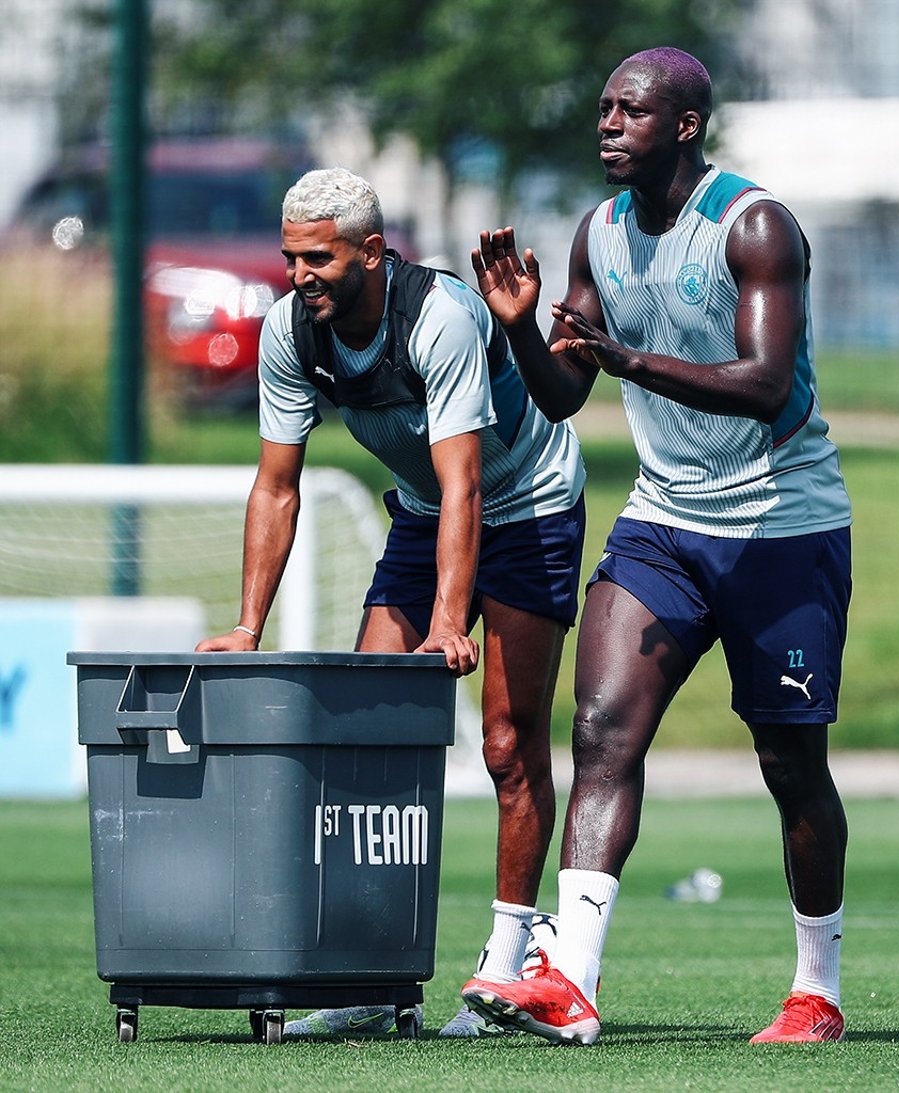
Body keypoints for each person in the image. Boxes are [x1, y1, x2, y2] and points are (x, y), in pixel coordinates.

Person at [461, 46, 852, 1045]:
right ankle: (568, 981)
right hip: (663, 525)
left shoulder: (753, 224)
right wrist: (518, 331)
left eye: (629, 111)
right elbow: (563, 393)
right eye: (602, 109)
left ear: (683, 124)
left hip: (781, 528)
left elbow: (766, 385)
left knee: (788, 761)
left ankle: (817, 989)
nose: (606, 125)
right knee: (600, 732)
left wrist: (626, 357)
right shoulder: (594, 232)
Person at [195, 167, 586, 1038]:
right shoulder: (290, 330)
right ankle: (367, 969)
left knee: (506, 743)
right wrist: (247, 626)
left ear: (372, 252)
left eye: (318, 259)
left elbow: (467, 482)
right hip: (424, 514)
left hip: (524, 505)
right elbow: (277, 487)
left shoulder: (439, 317)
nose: (299, 275)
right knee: (362, 736)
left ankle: (508, 962)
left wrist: (451, 620)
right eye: (290, 257)